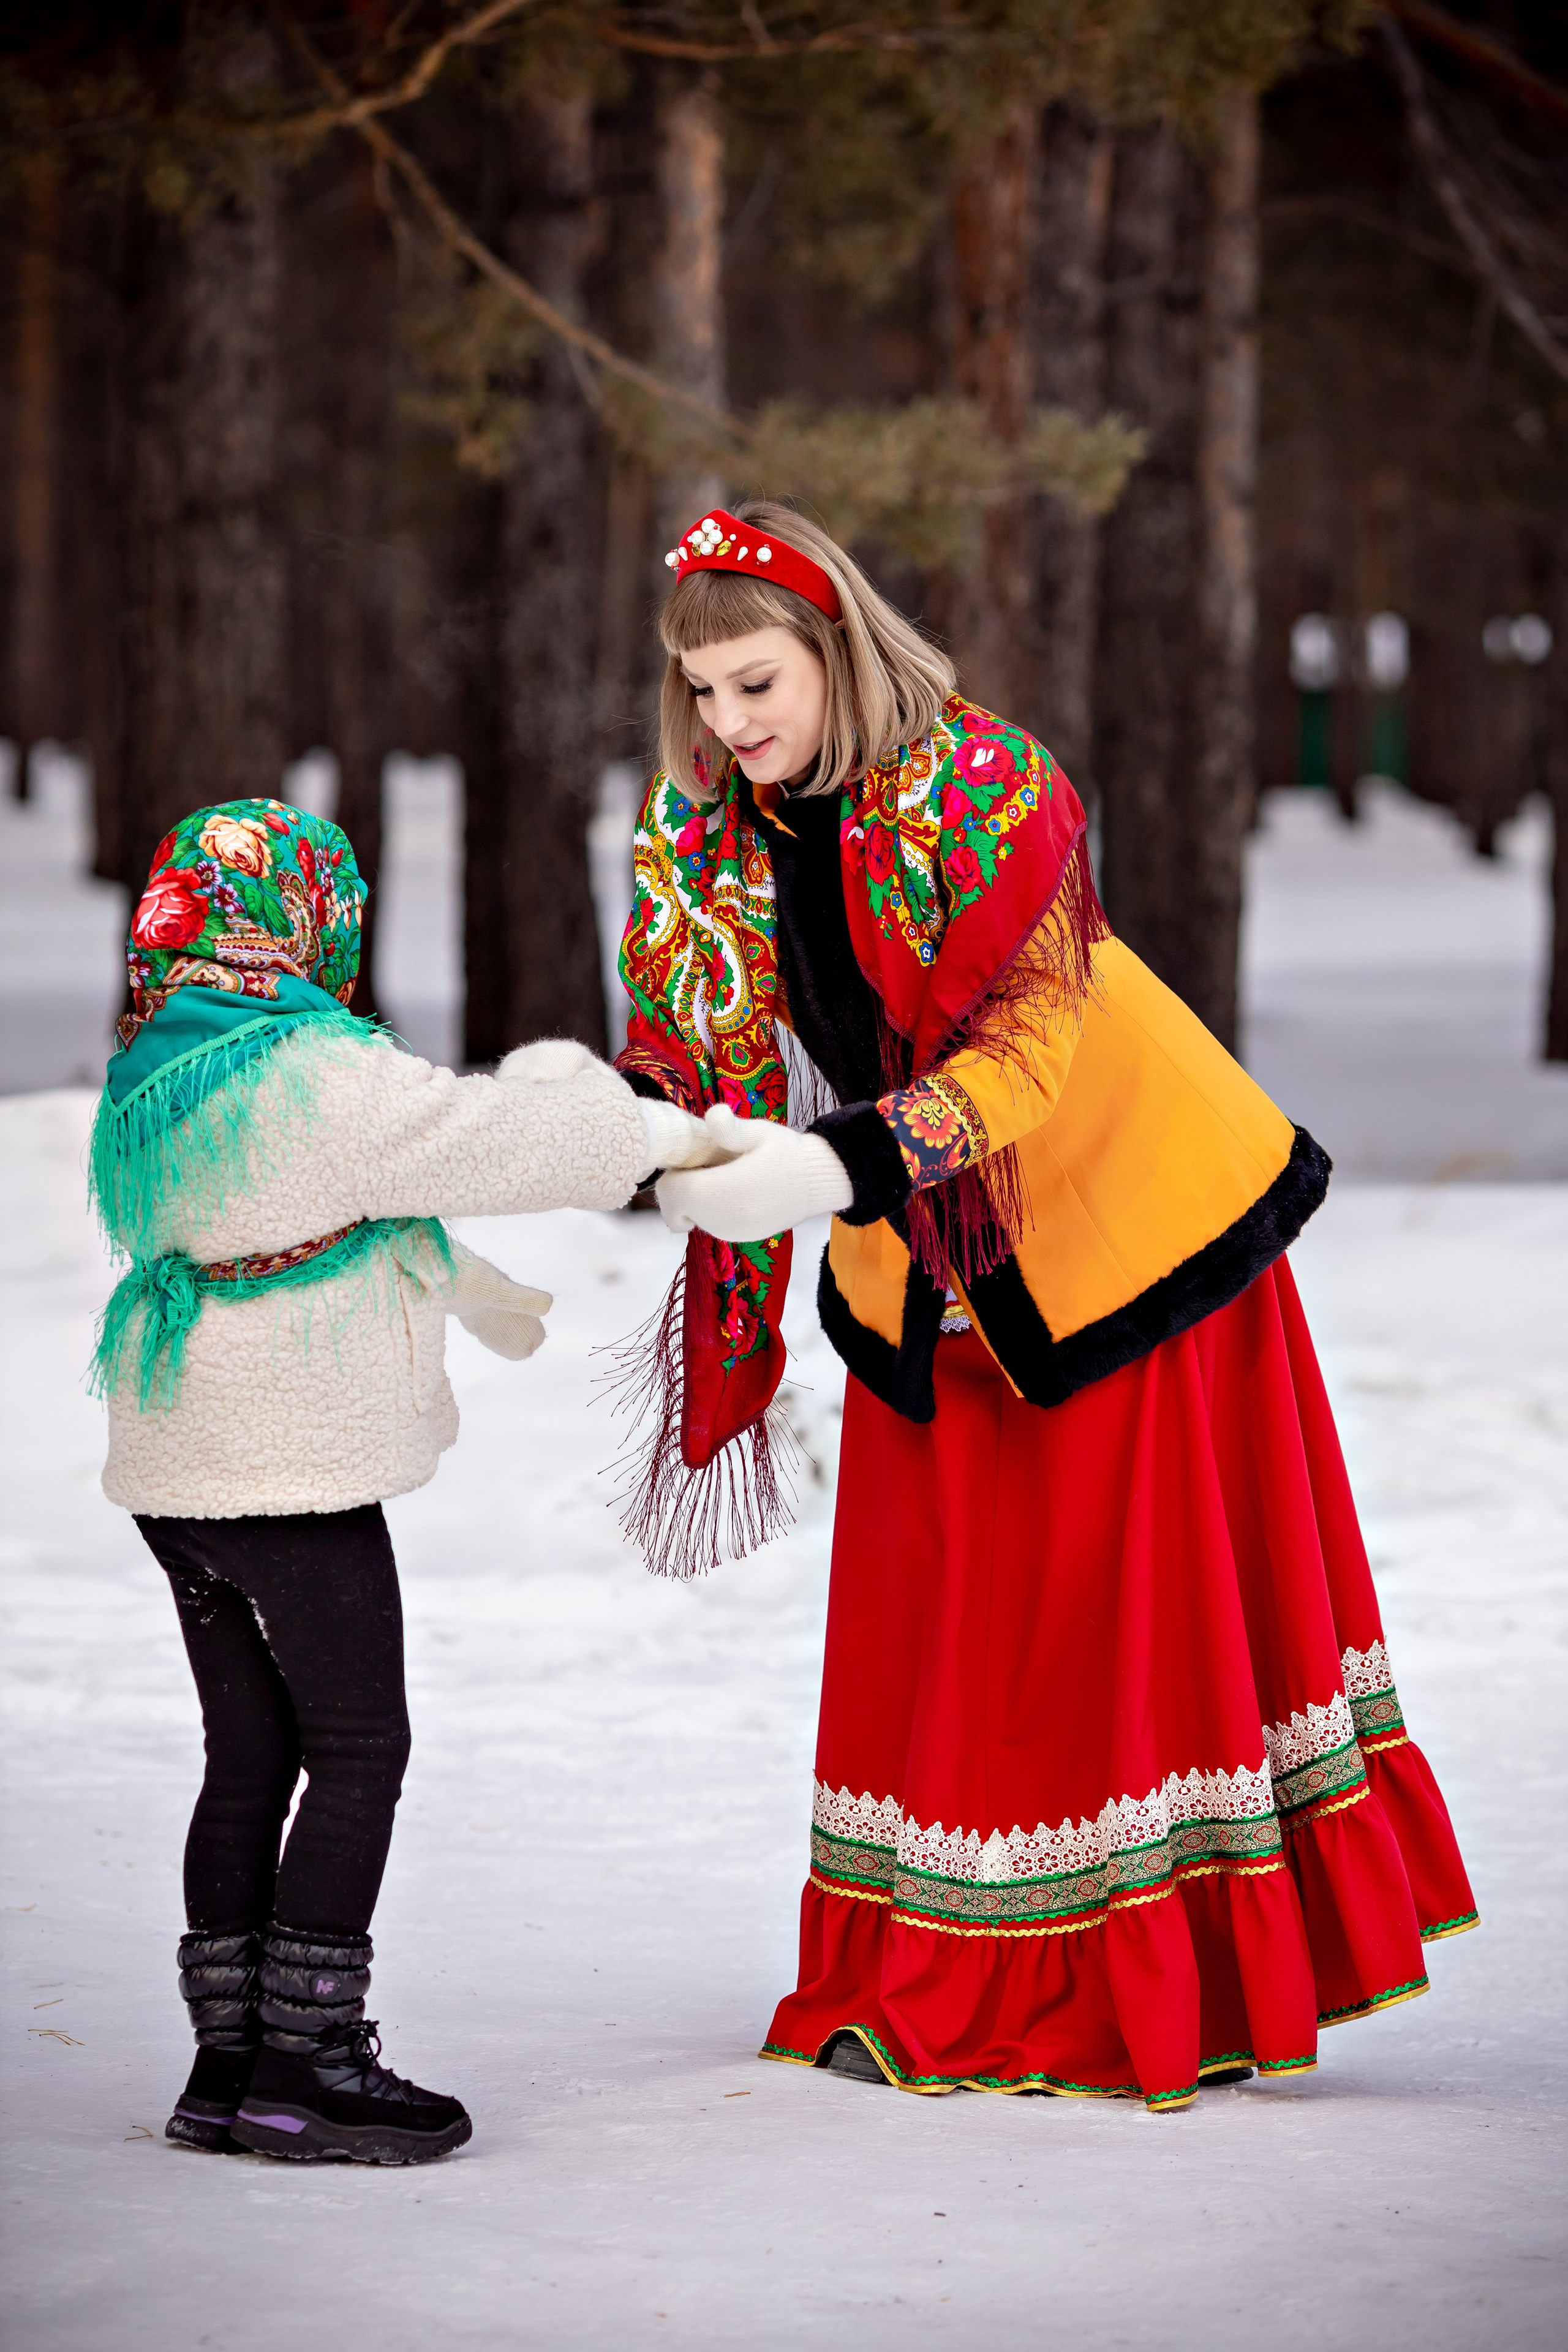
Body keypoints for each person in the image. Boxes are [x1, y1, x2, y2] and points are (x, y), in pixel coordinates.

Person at [614, 502, 1477, 2111]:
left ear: (835, 647)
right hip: (919, 1226)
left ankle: (1153, 1981)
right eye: (701, 691)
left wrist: (827, 1166)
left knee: (1108, 1602)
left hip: (1112, 1210)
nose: (728, 724)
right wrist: (638, 1140)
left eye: (756, 683)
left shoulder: (983, 783)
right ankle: (950, 1960)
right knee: (961, 1602)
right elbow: (691, 1037)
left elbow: (1022, 1057)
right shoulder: (703, 830)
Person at [93, 798, 712, 2163]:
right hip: (289, 1465)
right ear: (301, 915)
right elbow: (493, 1142)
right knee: (361, 1747)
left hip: (181, 1466)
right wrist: (645, 1123)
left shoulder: (156, 1061)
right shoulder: (314, 1070)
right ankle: (310, 2064)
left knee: (249, 1754)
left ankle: (228, 2062)